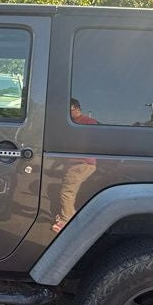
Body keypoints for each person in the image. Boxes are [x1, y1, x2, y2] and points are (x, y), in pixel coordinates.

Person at [53, 99, 98, 233]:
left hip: (83, 163)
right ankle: (69, 218)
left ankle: (66, 223)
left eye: (69, 110)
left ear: (77, 108)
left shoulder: (88, 122)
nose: (67, 113)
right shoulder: (72, 123)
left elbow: (91, 139)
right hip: (77, 163)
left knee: (67, 192)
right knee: (69, 192)